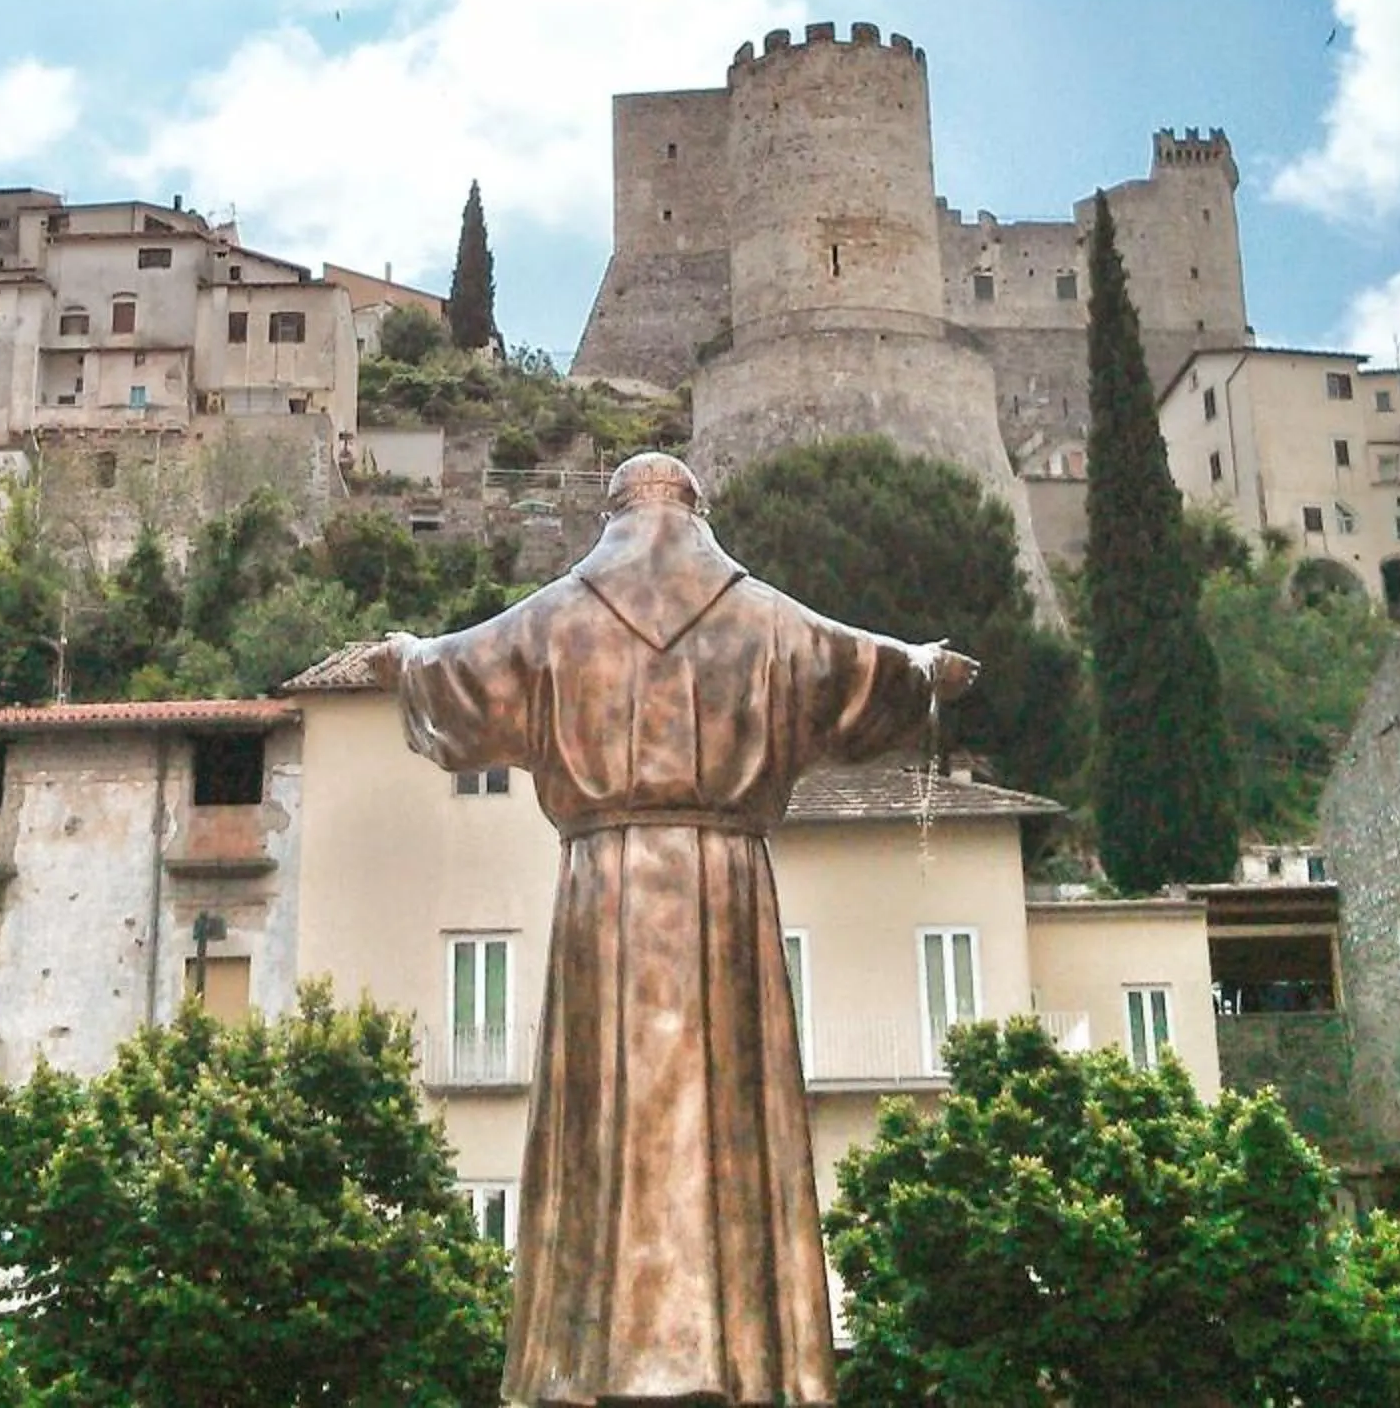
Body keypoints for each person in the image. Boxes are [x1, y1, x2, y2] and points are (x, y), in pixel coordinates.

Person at [374, 452, 973, 1405]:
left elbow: (451, 678)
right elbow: (867, 669)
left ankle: (589, 1362)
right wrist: (928, 670)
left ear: (614, 510)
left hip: (600, 888)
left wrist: (404, 658)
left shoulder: (558, 613)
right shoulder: (761, 614)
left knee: (599, 1124)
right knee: (731, 1121)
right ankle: (739, 1361)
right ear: (696, 509)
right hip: (726, 887)